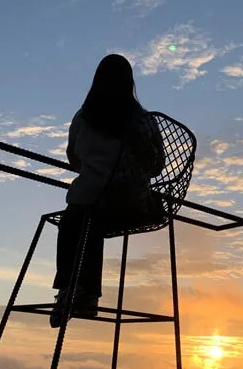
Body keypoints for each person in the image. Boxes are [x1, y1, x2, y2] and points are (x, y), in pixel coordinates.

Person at [50, 54, 165, 328]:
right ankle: (85, 294)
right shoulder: (144, 120)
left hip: (94, 203)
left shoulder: (84, 118)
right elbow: (158, 166)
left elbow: (73, 158)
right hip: (133, 205)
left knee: (75, 219)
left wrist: (95, 167)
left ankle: (71, 289)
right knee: (90, 220)